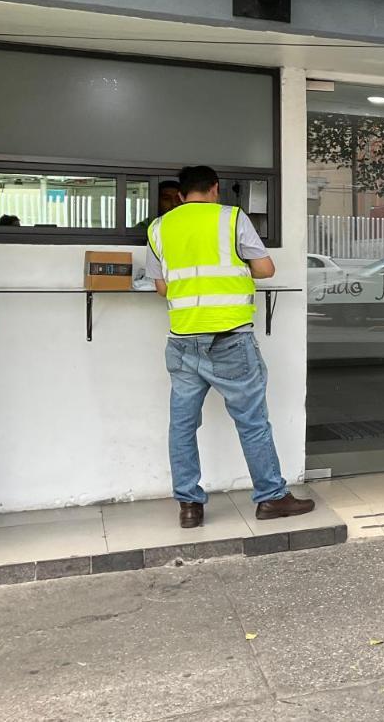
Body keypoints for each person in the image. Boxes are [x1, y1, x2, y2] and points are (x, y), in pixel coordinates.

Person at [147, 165, 314, 529]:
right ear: (215, 189)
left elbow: (161, 288)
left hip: (182, 341)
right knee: (252, 422)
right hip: (230, 340)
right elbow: (266, 269)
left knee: (182, 426)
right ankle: (271, 498)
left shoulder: (159, 228)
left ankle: (189, 507)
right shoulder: (232, 219)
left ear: (180, 194)